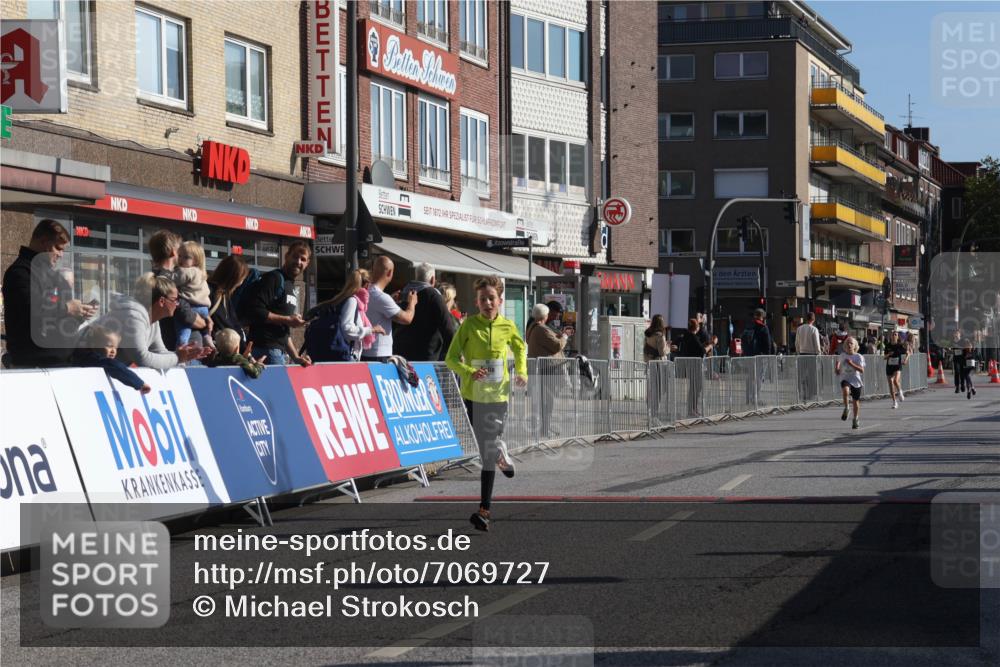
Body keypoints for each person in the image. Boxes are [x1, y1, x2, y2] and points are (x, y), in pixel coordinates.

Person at [445, 275, 527, 532]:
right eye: (483, 299)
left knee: (488, 453)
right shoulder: (468, 326)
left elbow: (520, 347)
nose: (487, 303)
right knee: (486, 453)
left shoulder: (508, 326)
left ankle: (484, 510)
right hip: (473, 397)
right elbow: (450, 359)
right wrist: (469, 371)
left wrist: (521, 371)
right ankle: (498, 454)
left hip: (498, 396)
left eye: (491, 298)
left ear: (500, 300)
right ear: (478, 303)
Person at [1, 219, 96, 368]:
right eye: (58, 248)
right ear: (44, 241)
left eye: (63, 250)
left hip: (62, 360)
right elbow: (31, 311)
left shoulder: (54, 276)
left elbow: (62, 326)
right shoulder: (20, 272)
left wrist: (79, 315)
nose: (61, 255)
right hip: (34, 363)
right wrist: (67, 308)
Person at [93, 273, 208, 369]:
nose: (177, 304)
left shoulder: (153, 321)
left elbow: (159, 351)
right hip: (80, 366)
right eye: (174, 300)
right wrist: (177, 357)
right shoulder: (133, 317)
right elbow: (142, 358)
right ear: (162, 301)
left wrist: (185, 356)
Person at [243, 241, 312, 366]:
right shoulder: (273, 278)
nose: (298, 262)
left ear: (307, 263)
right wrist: (287, 319)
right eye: (295, 256)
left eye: (303, 259)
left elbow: (283, 330)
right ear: (287, 256)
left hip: (277, 351)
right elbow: (255, 310)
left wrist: (296, 357)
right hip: (265, 350)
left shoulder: (290, 285)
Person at [308, 269, 386, 361]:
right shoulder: (352, 301)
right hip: (346, 356)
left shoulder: (343, 299)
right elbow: (348, 329)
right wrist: (372, 329)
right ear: (367, 285)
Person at [148, 230, 207, 350]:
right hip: (180, 348)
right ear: (173, 252)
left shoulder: (152, 277)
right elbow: (186, 314)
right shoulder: (168, 281)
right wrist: (204, 323)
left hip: (164, 343)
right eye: (179, 250)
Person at [393, 262, 457, 362]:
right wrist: (454, 353)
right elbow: (447, 328)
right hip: (425, 357)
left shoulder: (403, 293)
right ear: (432, 279)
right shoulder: (433, 295)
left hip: (401, 353)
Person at [362, 256, 417, 363]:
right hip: (379, 354)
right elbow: (407, 318)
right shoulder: (381, 297)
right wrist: (412, 303)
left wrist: (391, 300)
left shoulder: (366, 292)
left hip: (365, 351)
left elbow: (376, 308)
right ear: (390, 273)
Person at [526, 302, 568, 438]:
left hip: (542, 369)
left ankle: (544, 429)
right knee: (547, 401)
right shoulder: (541, 329)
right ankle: (544, 430)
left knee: (544, 401)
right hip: (547, 370)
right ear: (544, 315)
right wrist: (565, 337)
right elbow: (556, 346)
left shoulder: (534, 327)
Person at [72, 325, 151, 393]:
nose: (113, 351)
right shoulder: (94, 359)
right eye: (109, 346)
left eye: (115, 348)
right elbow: (115, 366)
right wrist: (140, 384)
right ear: (94, 345)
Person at [174, 240, 214, 349]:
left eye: (186, 257)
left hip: (191, 306)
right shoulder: (202, 273)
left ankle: (181, 348)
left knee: (183, 332)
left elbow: (172, 282)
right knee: (206, 329)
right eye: (180, 256)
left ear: (196, 260)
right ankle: (207, 337)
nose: (181, 260)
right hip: (204, 309)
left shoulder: (186, 271)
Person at [208, 255, 250, 350]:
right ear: (233, 278)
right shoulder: (210, 291)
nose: (242, 282)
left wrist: (246, 352)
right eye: (242, 278)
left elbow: (234, 324)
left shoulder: (224, 295)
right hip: (211, 350)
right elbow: (228, 324)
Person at [677, 318, 711, 416]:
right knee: (696, 387)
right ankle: (692, 409)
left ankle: (693, 408)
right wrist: (711, 345)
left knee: (695, 387)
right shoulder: (692, 336)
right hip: (694, 365)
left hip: (690, 364)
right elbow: (701, 351)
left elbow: (697, 347)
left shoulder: (687, 336)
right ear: (696, 327)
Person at [835, 336, 865, 429]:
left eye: (851, 343)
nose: (849, 345)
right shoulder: (842, 355)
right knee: (845, 391)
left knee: (855, 401)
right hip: (845, 378)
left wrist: (851, 363)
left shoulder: (858, 356)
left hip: (856, 380)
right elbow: (838, 363)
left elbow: (861, 370)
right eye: (847, 343)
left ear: (855, 345)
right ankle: (847, 408)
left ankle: (855, 419)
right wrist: (837, 368)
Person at [795, 312, 822, 402]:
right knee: (812, 375)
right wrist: (819, 353)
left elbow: (797, 343)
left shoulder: (799, 329)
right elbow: (817, 344)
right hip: (812, 355)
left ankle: (802, 393)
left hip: (802, 354)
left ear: (806, 319)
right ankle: (811, 394)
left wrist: (798, 352)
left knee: (802, 375)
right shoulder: (814, 329)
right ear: (813, 320)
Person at [884, 330, 908, 409]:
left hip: (897, 366)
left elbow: (908, 353)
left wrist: (905, 360)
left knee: (895, 381)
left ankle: (900, 392)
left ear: (897, 337)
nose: (894, 336)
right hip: (889, 366)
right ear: (891, 336)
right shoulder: (887, 346)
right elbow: (884, 357)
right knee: (890, 383)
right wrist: (888, 355)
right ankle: (894, 402)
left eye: (895, 335)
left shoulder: (900, 345)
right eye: (893, 334)